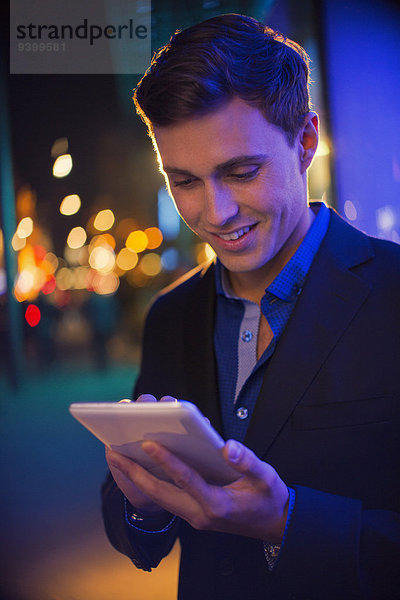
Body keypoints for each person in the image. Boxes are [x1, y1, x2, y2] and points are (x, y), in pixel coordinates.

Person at [101, 14, 400, 600]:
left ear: (306, 141)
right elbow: (137, 536)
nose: (214, 213)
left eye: (241, 172)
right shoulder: (170, 317)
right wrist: (144, 502)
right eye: (183, 181)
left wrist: (286, 519)